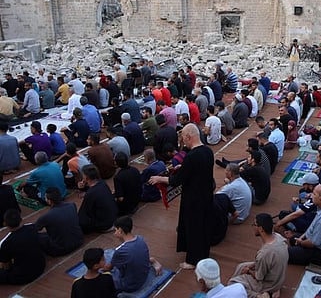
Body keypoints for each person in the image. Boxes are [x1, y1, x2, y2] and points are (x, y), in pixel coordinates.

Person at [149, 123, 214, 269]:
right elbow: (196, 171)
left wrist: (159, 179)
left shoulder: (192, 156)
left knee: (193, 228)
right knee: (203, 227)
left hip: (193, 198)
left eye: (183, 137)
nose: (182, 141)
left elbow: (177, 180)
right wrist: (183, 168)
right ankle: (203, 254)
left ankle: (192, 260)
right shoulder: (208, 152)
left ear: (188, 137)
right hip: (206, 195)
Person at [229, 213, 288, 298]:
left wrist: (248, 271)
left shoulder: (264, 254)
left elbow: (259, 277)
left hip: (269, 284)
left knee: (232, 283)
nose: (253, 227)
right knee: (241, 266)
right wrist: (251, 266)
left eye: (254, 225)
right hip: (277, 275)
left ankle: (259, 296)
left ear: (260, 229)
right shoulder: (278, 237)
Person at [103, 216, 162, 293]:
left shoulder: (121, 251)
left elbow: (108, 268)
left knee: (103, 277)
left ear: (120, 230)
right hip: (143, 277)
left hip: (129, 285)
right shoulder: (141, 239)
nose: (114, 233)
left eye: (115, 230)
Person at [288, 184, 321, 266]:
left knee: (286, 254)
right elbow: (312, 227)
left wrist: (300, 243)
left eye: (314, 194)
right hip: (316, 240)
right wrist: (301, 238)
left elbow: (313, 243)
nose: (311, 196)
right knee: (293, 239)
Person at [0, 209, 45, 285]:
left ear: (5, 223)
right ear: (21, 219)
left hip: (23, 276)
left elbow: (6, 266)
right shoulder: (32, 227)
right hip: (41, 266)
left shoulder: (5, 242)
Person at [35, 187, 83, 256]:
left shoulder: (46, 216)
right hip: (79, 241)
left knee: (38, 237)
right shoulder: (72, 205)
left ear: (49, 201)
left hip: (61, 249)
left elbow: (35, 229)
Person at [78, 164, 118, 233]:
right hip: (113, 216)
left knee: (81, 220)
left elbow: (84, 212)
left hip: (104, 224)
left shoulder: (90, 193)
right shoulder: (102, 183)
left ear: (86, 177)